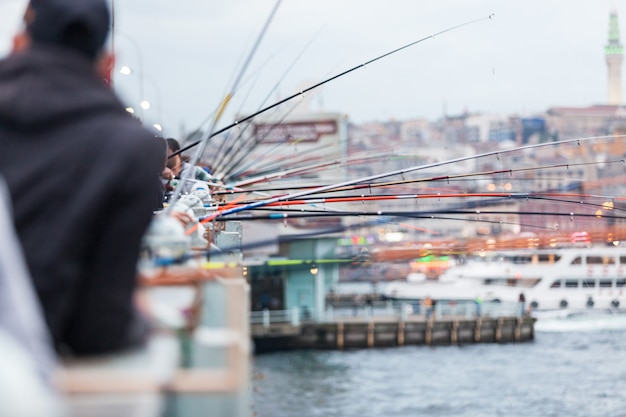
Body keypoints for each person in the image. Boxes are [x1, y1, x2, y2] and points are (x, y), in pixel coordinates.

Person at [0, 0, 166, 356]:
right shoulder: (131, 150)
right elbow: (97, 331)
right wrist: (140, 321)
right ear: (108, 65)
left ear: (17, 44)